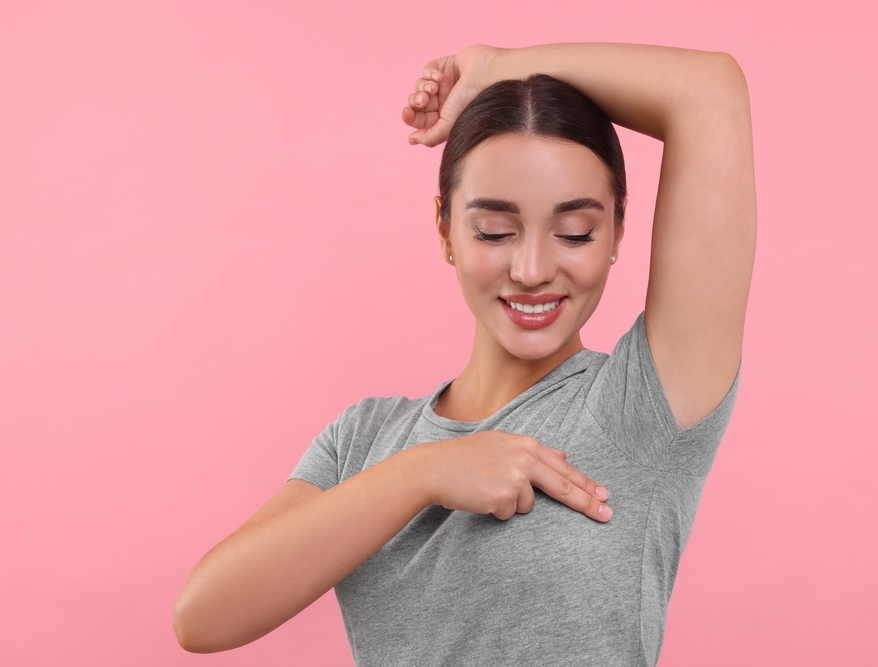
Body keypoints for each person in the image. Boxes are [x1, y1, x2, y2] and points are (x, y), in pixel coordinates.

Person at [173, 42, 756, 665]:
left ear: (615, 231)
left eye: (575, 233)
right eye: (495, 232)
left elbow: (710, 93)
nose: (532, 269)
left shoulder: (642, 408)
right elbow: (203, 617)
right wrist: (423, 472)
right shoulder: (365, 441)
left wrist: (500, 68)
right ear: (445, 230)